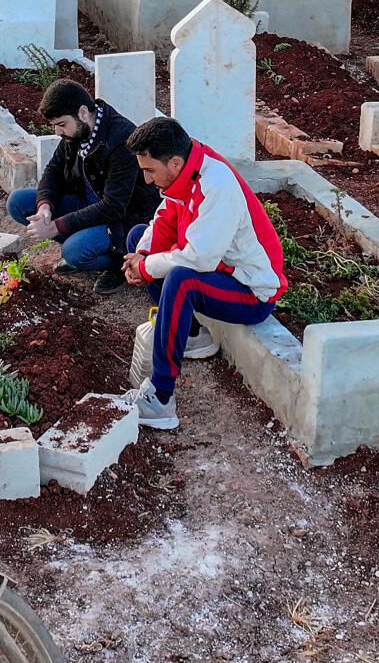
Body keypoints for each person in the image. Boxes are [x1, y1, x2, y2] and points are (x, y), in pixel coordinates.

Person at [117, 115, 286, 431]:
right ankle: (192, 336)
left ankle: (161, 398)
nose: (148, 181)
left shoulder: (215, 184)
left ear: (175, 163)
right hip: (219, 276)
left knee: (181, 281)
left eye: (150, 171)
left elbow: (200, 260)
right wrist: (141, 255)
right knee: (137, 237)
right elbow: (163, 218)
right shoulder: (185, 172)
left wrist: (146, 267)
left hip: (251, 292)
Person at [8, 79, 158, 293]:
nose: (58, 132)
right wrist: (44, 207)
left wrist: (55, 227)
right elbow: (53, 170)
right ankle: (85, 244)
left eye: (61, 124)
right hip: (88, 204)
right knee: (18, 202)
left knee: (74, 252)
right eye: (55, 126)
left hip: (122, 220)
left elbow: (114, 207)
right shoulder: (77, 132)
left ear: (83, 112)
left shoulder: (120, 138)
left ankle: (119, 262)